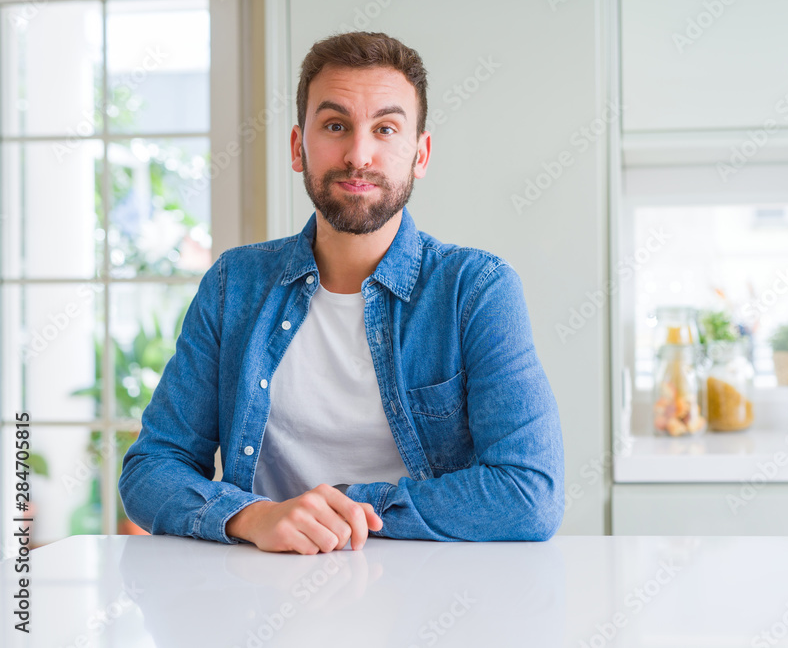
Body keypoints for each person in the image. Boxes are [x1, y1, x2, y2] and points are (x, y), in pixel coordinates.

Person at [119, 32, 564, 554]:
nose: (359, 154)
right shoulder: (232, 284)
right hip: (263, 594)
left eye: (386, 128)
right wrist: (252, 515)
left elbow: (530, 493)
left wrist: (345, 504)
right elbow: (151, 469)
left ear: (420, 153)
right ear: (296, 147)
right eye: (335, 126)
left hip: (436, 597)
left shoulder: (476, 289)